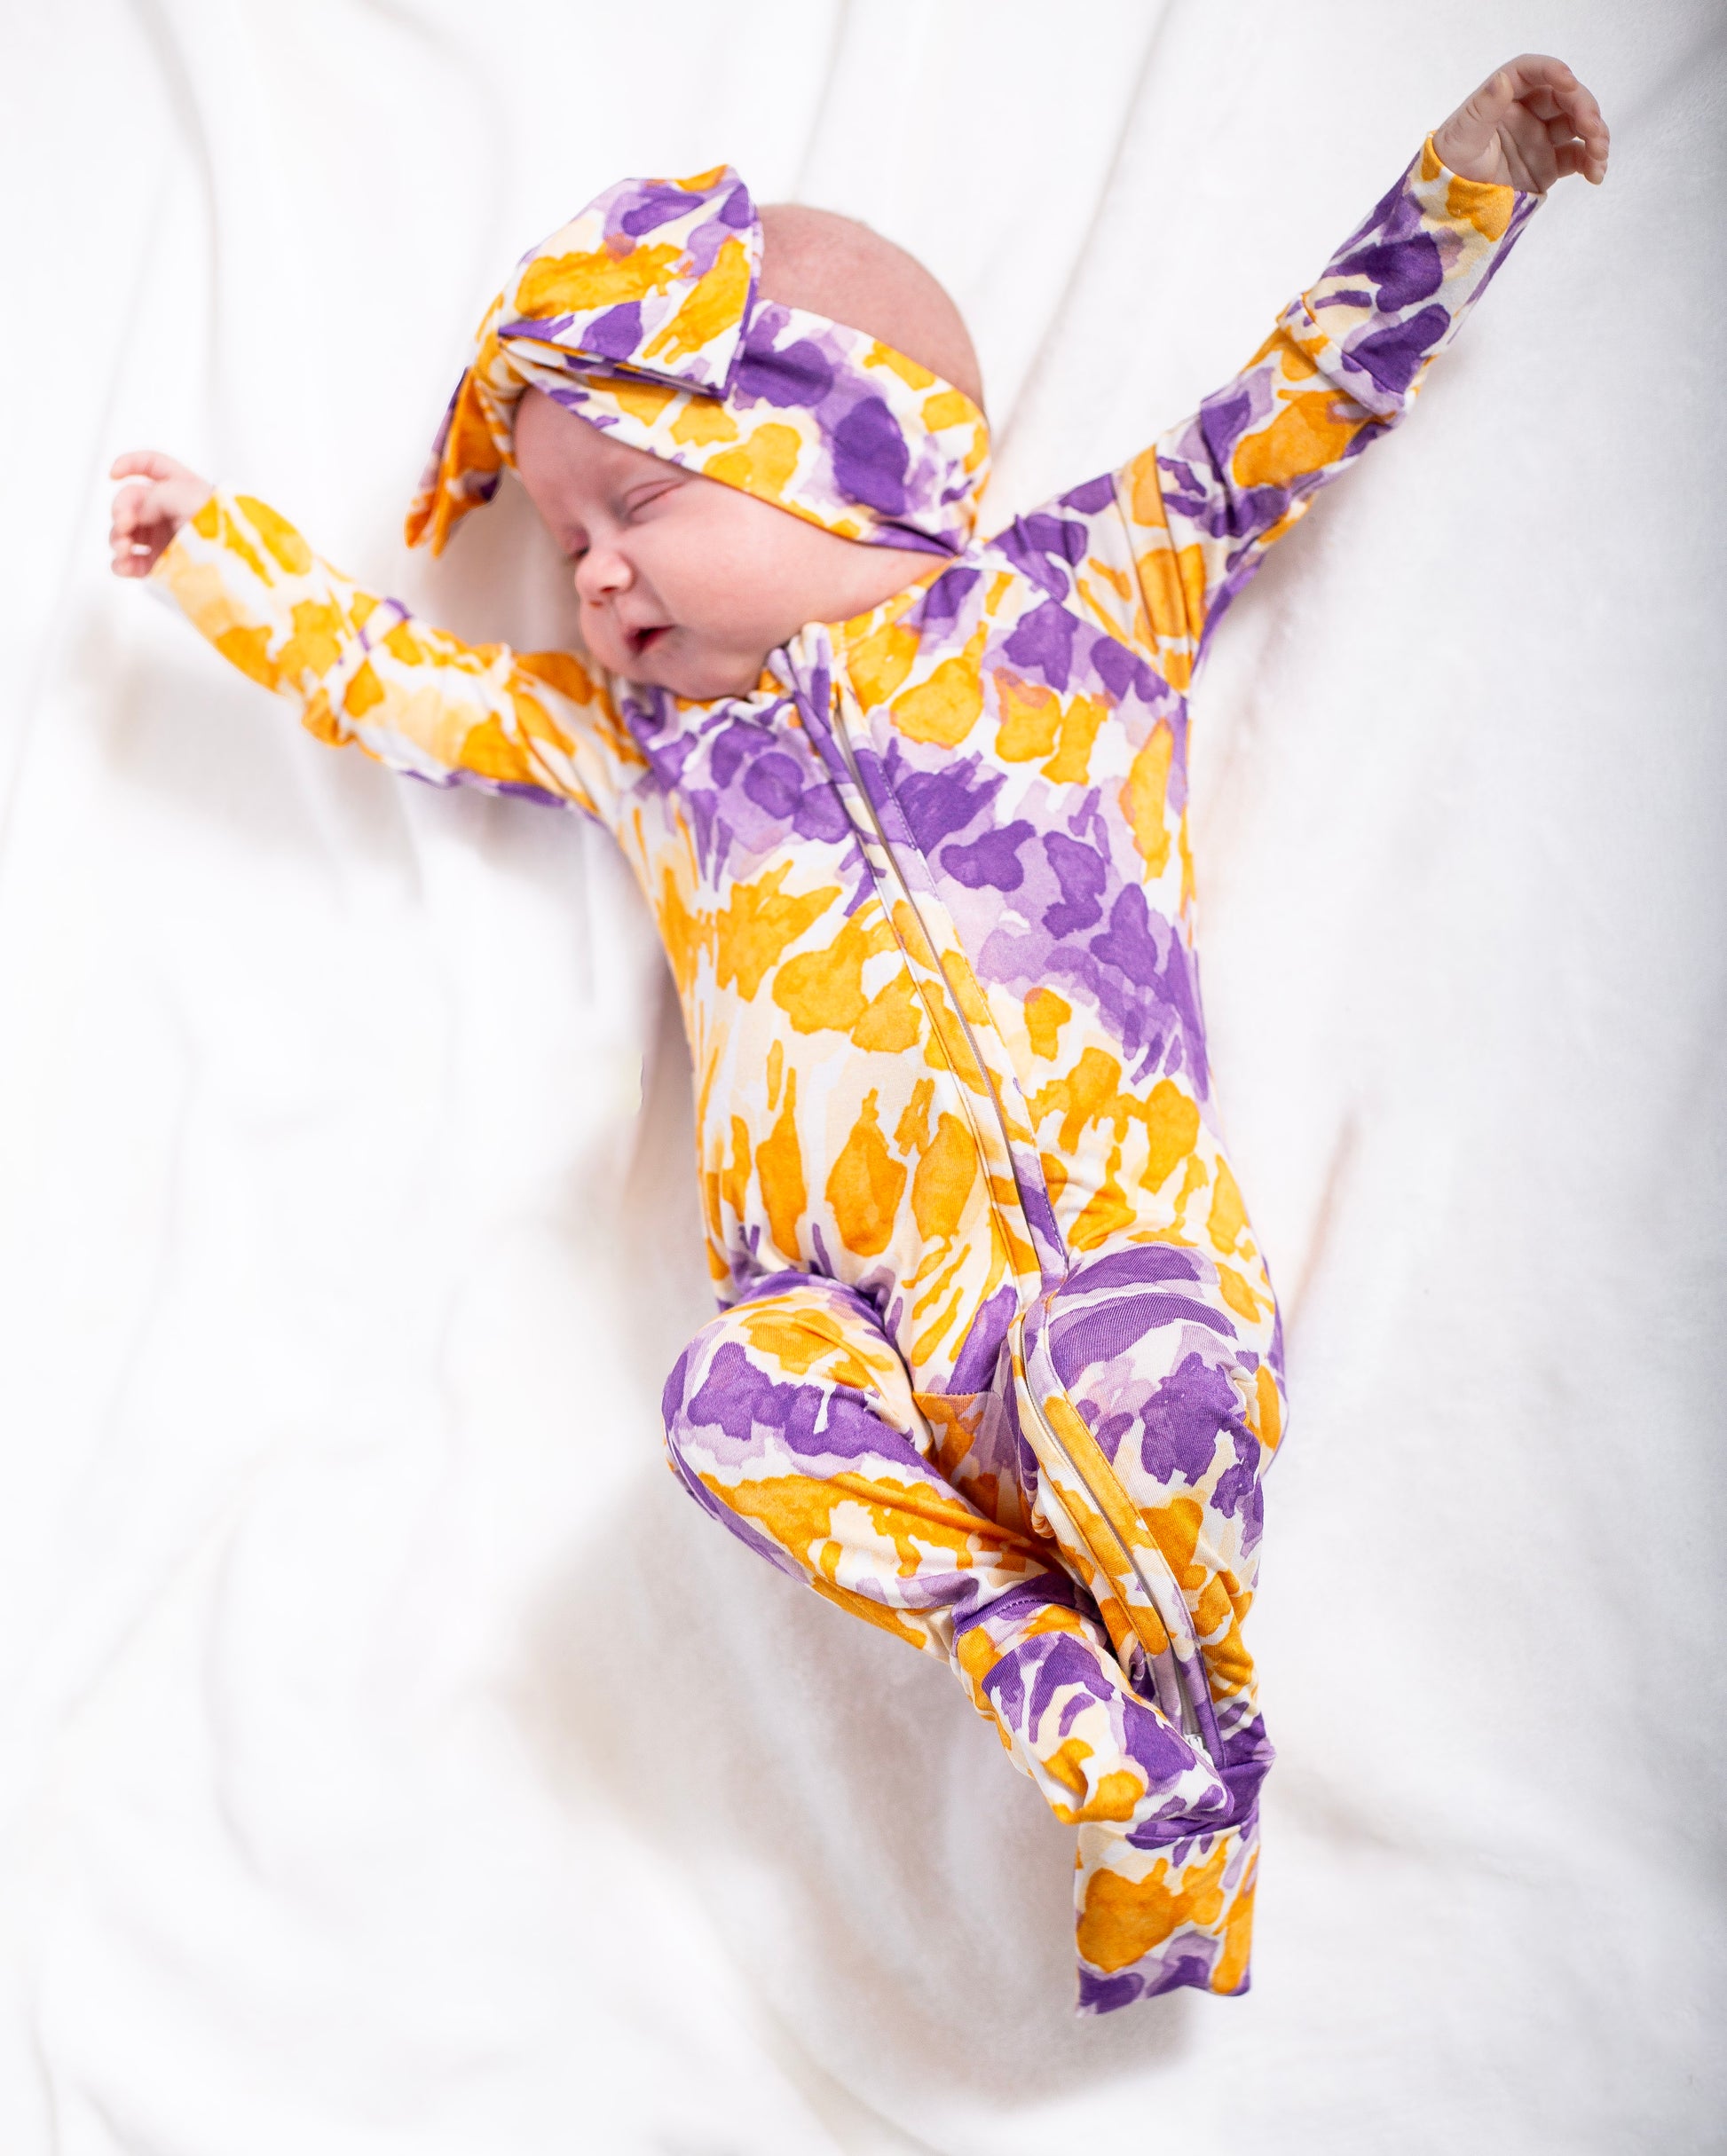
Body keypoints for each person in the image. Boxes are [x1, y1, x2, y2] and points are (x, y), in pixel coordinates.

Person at [108, 56, 1608, 2012]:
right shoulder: (650, 752)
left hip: (1117, 1263)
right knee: (727, 1403)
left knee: (1147, 1388)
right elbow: (408, 687)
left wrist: (1477, 175)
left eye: (635, 501)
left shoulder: (1082, 599)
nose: (593, 575)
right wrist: (216, 557)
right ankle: (1047, 1673)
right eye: (564, 542)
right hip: (858, 1340)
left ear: (854, 442)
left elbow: (1294, 401)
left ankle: (1178, 1756)